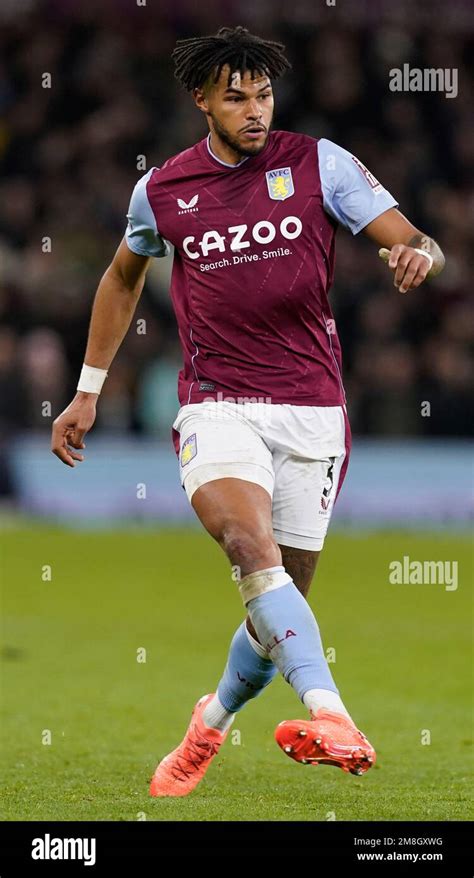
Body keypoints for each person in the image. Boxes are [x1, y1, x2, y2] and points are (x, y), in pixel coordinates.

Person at [51, 25, 445, 797]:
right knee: (245, 541)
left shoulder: (319, 164)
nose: (255, 110)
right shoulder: (161, 190)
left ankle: (211, 722)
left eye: (263, 94)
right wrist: (88, 389)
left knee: (281, 602)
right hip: (217, 404)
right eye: (236, 98)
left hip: (314, 411)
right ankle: (331, 713)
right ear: (202, 101)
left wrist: (417, 255)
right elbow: (123, 277)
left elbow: (416, 240)